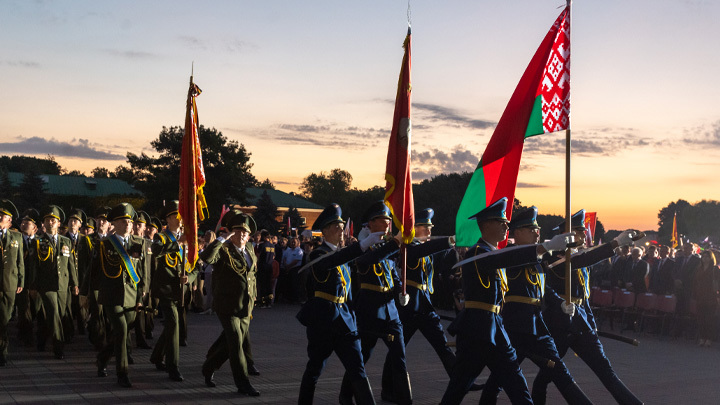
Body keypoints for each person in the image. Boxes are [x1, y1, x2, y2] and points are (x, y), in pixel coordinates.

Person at [440, 197, 574, 405]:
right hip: (476, 330)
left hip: (496, 329)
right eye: (500, 221)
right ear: (485, 225)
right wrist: (544, 247)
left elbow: (509, 256)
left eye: (506, 222)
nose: (506, 226)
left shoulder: (494, 252)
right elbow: (503, 259)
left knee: (517, 386)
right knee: (457, 390)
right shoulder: (477, 253)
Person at [340, 201, 455, 405]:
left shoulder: (388, 247)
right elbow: (369, 260)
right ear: (371, 223)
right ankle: (346, 395)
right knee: (363, 355)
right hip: (370, 311)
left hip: (391, 311)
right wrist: (394, 243)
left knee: (399, 357)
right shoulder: (363, 247)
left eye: (388, 220)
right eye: (384, 220)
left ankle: (404, 399)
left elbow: (416, 252)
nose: (388, 224)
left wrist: (448, 241)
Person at [478, 206, 592, 404]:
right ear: (517, 233)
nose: (537, 232)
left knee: (559, 371)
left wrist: (560, 303)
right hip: (514, 326)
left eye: (537, 229)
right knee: (500, 378)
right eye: (531, 229)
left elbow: (545, 288)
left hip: (537, 325)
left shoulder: (537, 259)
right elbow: (518, 259)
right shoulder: (509, 255)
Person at [533, 209, 643, 405]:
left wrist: (591, 324)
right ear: (567, 233)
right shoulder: (555, 257)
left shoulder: (579, 256)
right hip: (559, 322)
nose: (585, 235)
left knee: (606, 371)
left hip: (581, 322)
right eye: (580, 231)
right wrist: (615, 243)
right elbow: (582, 260)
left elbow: (584, 297)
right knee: (547, 375)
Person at [380, 208, 481, 401]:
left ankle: (460, 380)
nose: (429, 229)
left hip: (424, 305)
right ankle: (388, 388)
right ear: (414, 228)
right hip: (409, 306)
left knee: (442, 345)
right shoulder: (407, 247)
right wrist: (447, 241)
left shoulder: (423, 247)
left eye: (430, 226)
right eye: (425, 226)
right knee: (398, 349)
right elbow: (420, 252)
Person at [297, 203, 386, 404]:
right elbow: (333, 261)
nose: (340, 230)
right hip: (324, 323)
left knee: (358, 369)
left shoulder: (342, 254)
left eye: (341, 226)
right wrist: (361, 245)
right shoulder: (317, 255)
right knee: (314, 370)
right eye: (336, 227)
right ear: (325, 231)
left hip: (345, 321)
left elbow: (349, 287)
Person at [200, 210, 260, 396]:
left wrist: (254, 296)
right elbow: (207, 258)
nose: (241, 235)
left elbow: (252, 276)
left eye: (245, 232)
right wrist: (220, 240)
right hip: (228, 305)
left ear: (249, 235)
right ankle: (243, 384)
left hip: (245, 305)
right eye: (237, 231)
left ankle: (208, 367)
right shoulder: (224, 250)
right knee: (236, 345)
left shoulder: (249, 249)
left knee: (231, 343)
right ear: (231, 233)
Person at [95, 203, 145, 388]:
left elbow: (141, 274)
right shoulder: (104, 244)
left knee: (120, 334)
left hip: (131, 297)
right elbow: (93, 271)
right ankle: (122, 373)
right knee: (122, 331)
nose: (128, 225)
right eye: (124, 221)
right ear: (114, 223)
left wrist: (140, 298)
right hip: (111, 296)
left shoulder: (137, 244)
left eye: (130, 222)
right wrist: (85, 294)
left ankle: (102, 358)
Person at [150, 200, 197, 382]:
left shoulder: (188, 239)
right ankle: (173, 367)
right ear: (168, 219)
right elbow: (156, 251)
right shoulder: (161, 237)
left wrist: (190, 278)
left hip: (181, 290)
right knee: (173, 324)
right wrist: (178, 243)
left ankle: (156, 356)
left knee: (172, 326)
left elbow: (195, 266)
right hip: (166, 289)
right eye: (177, 215)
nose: (180, 219)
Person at [28, 205, 78, 360]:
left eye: (53, 220)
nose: (50, 222)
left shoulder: (66, 242)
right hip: (46, 284)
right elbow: (33, 266)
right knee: (54, 313)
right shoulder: (38, 242)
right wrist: (33, 285)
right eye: (47, 220)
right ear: (43, 223)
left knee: (58, 315)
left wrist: (75, 283)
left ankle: (42, 339)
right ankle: (58, 346)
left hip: (63, 285)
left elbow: (71, 265)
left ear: (58, 223)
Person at [0, 199, 24, 366]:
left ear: (10, 221)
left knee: (6, 317)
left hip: (10, 282)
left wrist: (21, 280)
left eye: (4, 217)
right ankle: (3, 351)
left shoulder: (17, 236)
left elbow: (20, 261)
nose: (1, 218)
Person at [86, 206, 112, 350]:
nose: (101, 222)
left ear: (109, 224)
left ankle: (106, 339)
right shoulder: (88, 240)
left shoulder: (113, 240)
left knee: (108, 313)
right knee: (97, 312)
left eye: (104, 220)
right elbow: (84, 265)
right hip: (95, 282)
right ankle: (99, 341)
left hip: (109, 282)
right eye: (99, 220)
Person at [65, 209, 92, 338]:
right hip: (67, 278)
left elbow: (88, 261)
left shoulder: (85, 240)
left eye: (76, 221)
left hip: (81, 277)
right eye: (71, 220)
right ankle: (69, 331)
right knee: (68, 306)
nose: (73, 223)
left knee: (82, 306)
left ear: (80, 225)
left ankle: (82, 329)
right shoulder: (63, 238)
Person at [16, 209, 40, 348]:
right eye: (23, 222)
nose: (24, 224)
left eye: (28, 223)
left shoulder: (40, 242)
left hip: (35, 283)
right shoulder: (16, 239)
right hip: (21, 282)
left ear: (35, 227)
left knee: (34, 310)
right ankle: (27, 337)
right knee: (24, 310)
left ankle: (25, 331)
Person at [132, 211, 153, 349]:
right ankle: (139, 338)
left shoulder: (149, 243)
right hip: (135, 282)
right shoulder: (131, 241)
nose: (138, 226)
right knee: (136, 312)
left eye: (141, 224)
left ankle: (144, 334)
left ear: (145, 227)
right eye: (136, 224)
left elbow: (152, 265)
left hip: (148, 282)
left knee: (146, 311)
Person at [693, 250, 718, 347]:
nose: (705, 258)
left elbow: (717, 283)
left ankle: (709, 339)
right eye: (703, 257)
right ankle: (702, 337)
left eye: (707, 257)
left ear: (711, 258)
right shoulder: (699, 268)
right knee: (701, 319)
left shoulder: (714, 269)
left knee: (709, 319)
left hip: (711, 297)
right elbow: (695, 282)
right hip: (700, 296)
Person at [256, 230, 275, 308]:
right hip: (270, 267)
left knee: (263, 286)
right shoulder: (272, 246)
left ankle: (263, 303)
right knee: (269, 286)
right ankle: (269, 302)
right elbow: (273, 257)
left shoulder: (262, 245)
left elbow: (258, 256)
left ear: (263, 237)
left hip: (262, 267)